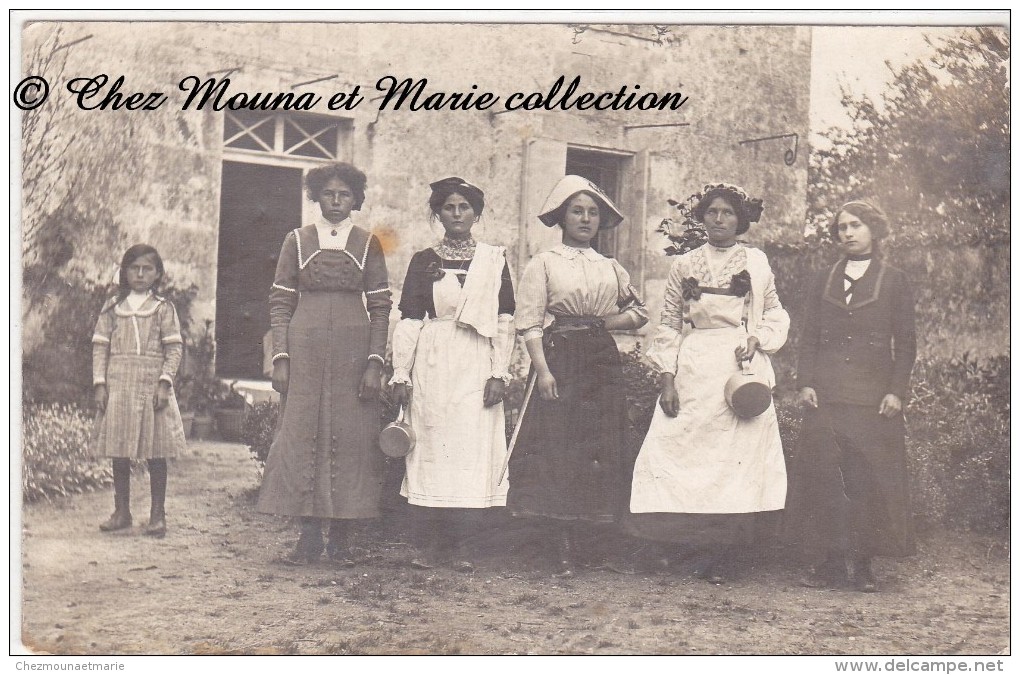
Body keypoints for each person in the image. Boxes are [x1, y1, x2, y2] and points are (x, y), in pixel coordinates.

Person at [627, 183, 789, 583]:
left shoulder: (756, 262)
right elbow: (668, 323)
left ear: (741, 219)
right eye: (712, 212)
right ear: (701, 218)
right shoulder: (684, 264)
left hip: (738, 366)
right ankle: (673, 548)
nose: (719, 220)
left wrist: (757, 339)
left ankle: (723, 554)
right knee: (673, 447)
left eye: (728, 213)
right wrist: (668, 378)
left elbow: (774, 313)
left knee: (732, 458)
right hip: (694, 363)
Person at [508, 175, 648, 578]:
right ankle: (561, 545)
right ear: (562, 218)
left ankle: (597, 544)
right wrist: (544, 372)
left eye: (592, 212)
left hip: (600, 358)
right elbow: (530, 323)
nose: (585, 219)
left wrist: (608, 320)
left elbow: (640, 312)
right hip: (562, 356)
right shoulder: (545, 263)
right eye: (577, 211)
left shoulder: (611, 267)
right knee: (562, 446)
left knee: (601, 445)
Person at [257, 162, 392, 566]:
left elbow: (381, 306)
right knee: (302, 434)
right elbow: (280, 301)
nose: (336, 202)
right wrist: (280, 356)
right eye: (328, 194)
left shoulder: (369, 243)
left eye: (344, 195)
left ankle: (344, 541)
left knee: (352, 439)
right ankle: (309, 538)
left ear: (356, 199)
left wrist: (374, 362)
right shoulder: (296, 240)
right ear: (316, 196)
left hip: (353, 350)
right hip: (306, 348)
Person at [786, 200, 916, 592]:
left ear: (874, 230)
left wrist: (896, 392)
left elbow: (906, 344)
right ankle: (828, 564)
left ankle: (862, 566)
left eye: (856, 225)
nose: (848, 233)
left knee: (867, 482)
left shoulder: (894, 280)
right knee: (823, 478)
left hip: (872, 400)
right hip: (825, 397)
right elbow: (807, 337)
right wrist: (805, 382)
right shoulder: (821, 279)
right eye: (841, 227)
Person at [389, 177, 516, 572]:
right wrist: (401, 373)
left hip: (476, 360)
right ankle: (428, 545)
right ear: (437, 213)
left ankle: (464, 545)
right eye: (449, 207)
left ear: (477, 213)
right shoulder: (423, 260)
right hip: (434, 359)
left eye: (464, 207)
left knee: (470, 448)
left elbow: (504, 317)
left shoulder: (493, 259)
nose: (457, 214)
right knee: (430, 444)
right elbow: (410, 318)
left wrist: (499, 372)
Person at [90, 244, 186, 538]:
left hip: (151, 384)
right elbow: (100, 347)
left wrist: (164, 382)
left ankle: (158, 515)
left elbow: (174, 349)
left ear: (157, 274)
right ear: (125, 271)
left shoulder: (162, 308)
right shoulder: (112, 307)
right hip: (119, 382)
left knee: (156, 450)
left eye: (147, 269)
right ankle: (122, 511)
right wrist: (100, 384)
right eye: (134, 268)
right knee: (119, 448)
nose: (140, 274)